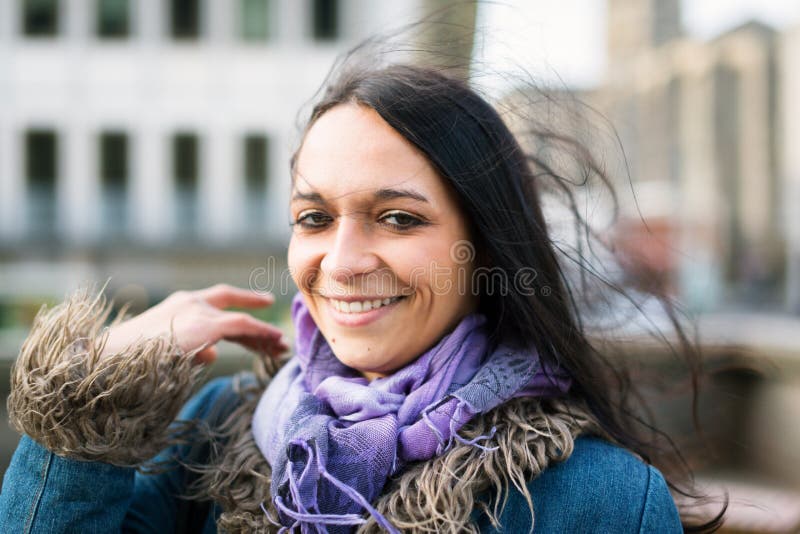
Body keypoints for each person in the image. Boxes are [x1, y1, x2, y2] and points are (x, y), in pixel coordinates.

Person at [0, 56, 723, 533]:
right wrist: (90, 402)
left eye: (399, 218)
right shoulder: (215, 430)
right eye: (314, 218)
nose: (341, 262)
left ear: (488, 246)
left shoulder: (598, 500)